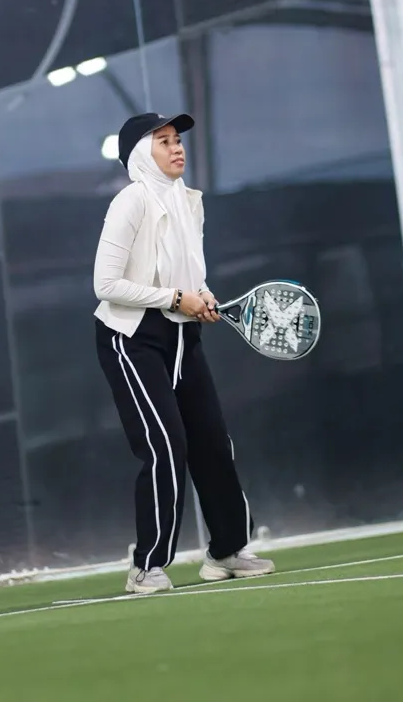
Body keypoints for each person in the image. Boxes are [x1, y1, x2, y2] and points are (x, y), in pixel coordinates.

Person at [93, 112, 275, 594]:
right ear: (140, 155)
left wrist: (202, 295)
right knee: (165, 446)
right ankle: (146, 567)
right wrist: (175, 299)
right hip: (131, 338)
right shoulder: (129, 202)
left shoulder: (189, 200)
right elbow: (105, 284)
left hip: (182, 337)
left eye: (178, 140)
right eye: (164, 142)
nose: (177, 148)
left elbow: (189, 273)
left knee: (213, 443)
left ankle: (226, 552)